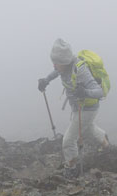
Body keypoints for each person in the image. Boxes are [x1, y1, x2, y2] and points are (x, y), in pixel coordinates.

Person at [38, 38, 108, 177]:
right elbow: (56, 72)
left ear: (64, 62)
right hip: (78, 107)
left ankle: (72, 167)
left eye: (56, 63)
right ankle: (106, 144)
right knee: (87, 128)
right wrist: (46, 80)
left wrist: (85, 92)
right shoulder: (63, 67)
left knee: (68, 140)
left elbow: (100, 92)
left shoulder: (80, 69)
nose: (54, 65)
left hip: (87, 108)